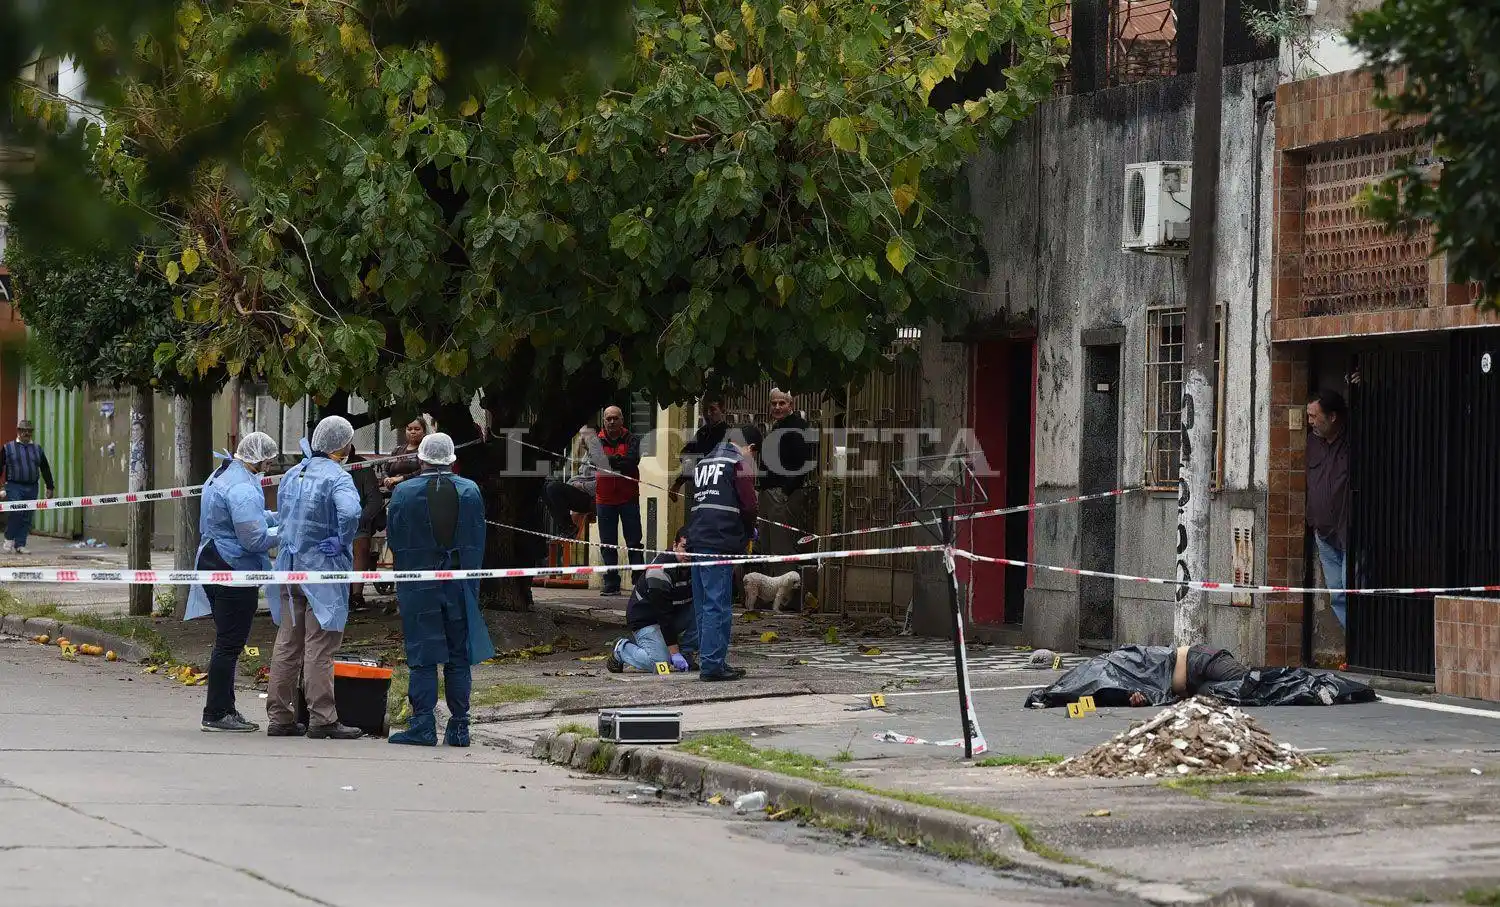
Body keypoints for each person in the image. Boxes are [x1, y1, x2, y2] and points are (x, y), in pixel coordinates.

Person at [386, 433, 496, 746]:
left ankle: (422, 725)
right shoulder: (471, 491)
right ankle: (460, 726)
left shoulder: (404, 492)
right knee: (458, 655)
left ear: (421, 459)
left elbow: (395, 538)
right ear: (451, 459)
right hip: (459, 584)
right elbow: (478, 537)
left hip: (419, 584)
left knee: (422, 653)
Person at [264, 416, 365, 740]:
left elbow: (283, 518)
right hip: (322, 568)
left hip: (290, 566)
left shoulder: (294, 473)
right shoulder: (337, 477)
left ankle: (280, 716)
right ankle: (322, 717)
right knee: (320, 645)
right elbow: (350, 513)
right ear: (341, 445)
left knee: (287, 643)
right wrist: (343, 537)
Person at [185, 432, 281, 733]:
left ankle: (226, 708)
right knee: (229, 643)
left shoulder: (226, 471)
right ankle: (215, 713)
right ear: (259, 458)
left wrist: (277, 517)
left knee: (227, 640)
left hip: (213, 558)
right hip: (232, 566)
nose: (269, 465)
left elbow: (249, 518)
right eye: (268, 460)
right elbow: (253, 539)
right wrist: (289, 532)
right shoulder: (242, 486)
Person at [686, 424, 761, 682]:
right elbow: (749, 505)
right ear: (750, 448)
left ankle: (707, 657)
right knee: (718, 605)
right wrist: (750, 532)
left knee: (703, 604)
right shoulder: (740, 463)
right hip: (720, 540)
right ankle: (713, 665)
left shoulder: (705, 462)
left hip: (698, 537)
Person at [607, 530, 697, 673]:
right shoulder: (660, 572)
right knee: (660, 665)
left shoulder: (697, 565)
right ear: (675, 546)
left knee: (707, 611)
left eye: (693, 550)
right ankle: (621, 648)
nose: (688, 554)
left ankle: (686, 653)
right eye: (684, 547)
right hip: (647, 619)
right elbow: (663, 615)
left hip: (674, 614)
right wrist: (674, 652)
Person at [758, 389, 814, 600]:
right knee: (768, 545)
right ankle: (772, 596)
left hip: (783, 495)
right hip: (769, 493)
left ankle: (786, 599)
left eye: (782, 403)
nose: (777, 407)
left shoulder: (797, 427)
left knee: (782, 547)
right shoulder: (778, 427)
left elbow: (803, 463)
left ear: (791, 404)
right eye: (774, 403)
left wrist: (785, 492)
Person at [1306, 389, 1350, 629]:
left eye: (1314, 416)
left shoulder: (1351, 438)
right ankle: (1352, 644)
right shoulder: (1313, 441)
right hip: (1323, 533)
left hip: (1350, 530)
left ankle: (1362, 649)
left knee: (1353, 589)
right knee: (1337, 595)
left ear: (1332, 417)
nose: (1310, 422)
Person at [590, 406, 643, 596]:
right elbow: (598, 461)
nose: (611, 422)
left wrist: (610, 460)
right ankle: (611, 583)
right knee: (607, 544)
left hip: (629, 498)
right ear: (604, 421)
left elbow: (631, 463)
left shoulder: (633, 439)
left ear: (622, 420)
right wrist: (619, 459)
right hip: (604, 499)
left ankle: (639, 582)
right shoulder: (596, 440)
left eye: (615, 418)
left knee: (634, 542)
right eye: (608, 419)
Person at [0, 418, 57, 554]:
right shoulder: (8, 448)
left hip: (32, 487)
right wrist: (1, 487)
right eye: (23, 430)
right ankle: (8, 539)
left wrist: (50, 487)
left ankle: (20, 544)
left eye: (29, 431)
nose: (26, 433)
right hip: (14, 486)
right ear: (18, 431)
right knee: (17, 512)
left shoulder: (37, 449)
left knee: (27, 516)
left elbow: (45, 468)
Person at [669, 399, 728, 500]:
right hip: (699, 489)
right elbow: (686, 452)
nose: (708, 414)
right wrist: (678, 483)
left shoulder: (728, 434)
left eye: (712, 409)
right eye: (705, 410)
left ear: (722, 410)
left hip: (718, 491)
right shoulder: (702, 432)